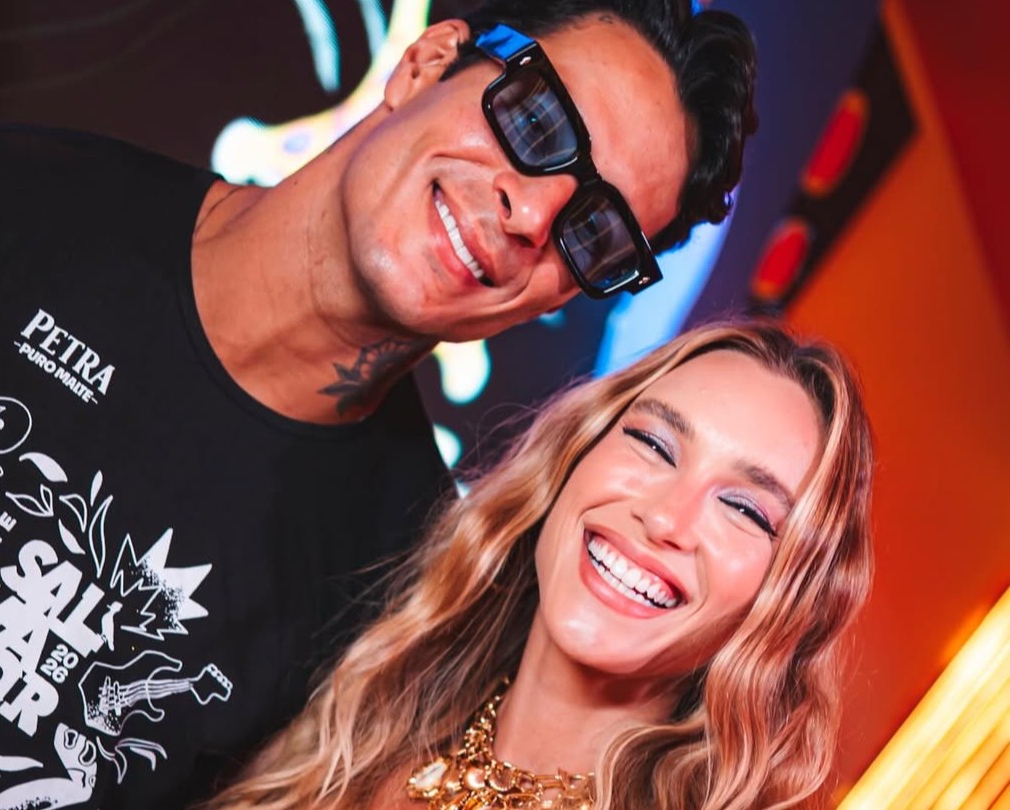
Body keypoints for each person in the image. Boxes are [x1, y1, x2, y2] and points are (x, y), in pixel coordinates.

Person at [0, 2, 756, 808]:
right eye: (537, 123)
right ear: (425, 64)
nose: (533, 213)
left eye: (594, 231)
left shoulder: (402, 602)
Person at [209, 320, 874, 810]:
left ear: (787, 603)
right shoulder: (363, 701)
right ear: (576, 452)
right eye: (653, 444)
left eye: (745, 510)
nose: (665, 519)